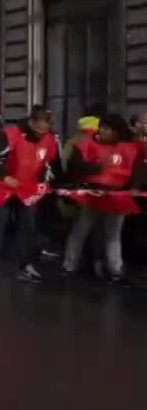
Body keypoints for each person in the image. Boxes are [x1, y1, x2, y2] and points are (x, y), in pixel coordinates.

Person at [0, 106, 59, 282]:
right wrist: (3, 175)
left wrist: (45, 178)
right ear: (31, 123)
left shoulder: (50, 140)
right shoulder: (11, 134)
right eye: (39, 128)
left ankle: (25, 265)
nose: (41, 132)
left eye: (45, 129)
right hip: (5, 187)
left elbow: (51, 163)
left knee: (27, 227)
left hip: (28, 190)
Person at [62, 113, 139, 283]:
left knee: (112, 234)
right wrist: (96, 167)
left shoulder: (129, 147)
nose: (102, 131)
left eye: (107, 129)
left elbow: (135, 170)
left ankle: (115, 269)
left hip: (117, 195)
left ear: (117, 132)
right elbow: (73, 166)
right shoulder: (86, 144)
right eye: (102, 127)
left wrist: (132, 188)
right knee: (81, 229)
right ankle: (69, 265)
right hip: (93, 194)